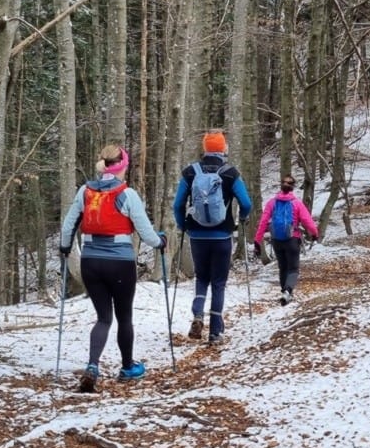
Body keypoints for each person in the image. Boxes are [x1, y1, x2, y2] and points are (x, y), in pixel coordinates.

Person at [59, 144, 166, 393]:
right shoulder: (127, 194)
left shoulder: (85, 191)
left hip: (90, 261)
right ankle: (127, 368)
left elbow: (68, 226)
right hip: (120, 263)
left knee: (103, 318)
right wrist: (160, 242)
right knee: (124, 316)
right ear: (123, 166)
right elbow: (146, 233)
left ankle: (92, 366)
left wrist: (65, 248)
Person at [172, 131, 252, 345]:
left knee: (201, 278)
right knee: (218, 282)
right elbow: (246, 203)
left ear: (205, 148)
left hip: (197, 236)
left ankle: (198, 315)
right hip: (222, 236)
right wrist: (242, 218)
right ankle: (216, 332)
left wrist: (182, 224)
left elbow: (178, 204)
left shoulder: (191, 172)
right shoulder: (230, 173)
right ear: (223, 149)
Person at [253, 174, 319, 305]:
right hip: (292, 239)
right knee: (293, 268)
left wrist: (257, 240)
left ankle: (284, 292)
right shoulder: (296, 203)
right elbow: (307, 220)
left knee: (282, 267)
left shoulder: (272, 203)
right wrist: (315, 233)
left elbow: (263, 222)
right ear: (293, 188)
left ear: (281, 186)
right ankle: (288, 291)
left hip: (276, 240)